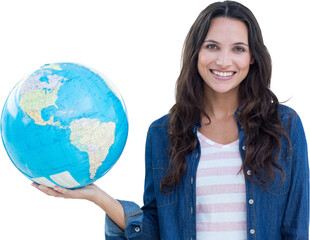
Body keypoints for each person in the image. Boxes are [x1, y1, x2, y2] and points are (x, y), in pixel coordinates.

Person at [32, 1, 309, 239]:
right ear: (196, 53)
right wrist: (98, 197)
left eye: (238, 49)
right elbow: (155, 228)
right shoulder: (164, 133)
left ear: (252, 58)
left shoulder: (284, 127)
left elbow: (296, 229)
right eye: (212, 46)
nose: (224, 61)